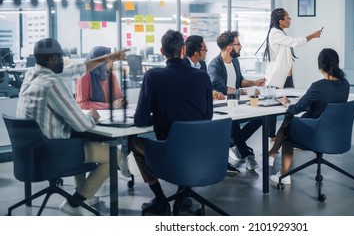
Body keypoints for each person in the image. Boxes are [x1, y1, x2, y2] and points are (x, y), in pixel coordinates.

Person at [16, 37, 127, 216]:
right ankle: (75, 201)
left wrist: (107, 57)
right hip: (52, 154)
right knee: (113, 155)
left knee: (77, 138)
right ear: (52, 58)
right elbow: (82, 124)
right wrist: (92, 116)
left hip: (28, 154)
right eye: (61, 56)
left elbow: (75, 69)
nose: (64, 60)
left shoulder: (31, 75)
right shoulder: (52, 84)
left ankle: (85, 194)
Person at [132, 30, 214, 215]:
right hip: (200, 153)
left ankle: (161, 199)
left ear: (162, 51)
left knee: (134, 144)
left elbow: (140, 120)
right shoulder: (202, 77)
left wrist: (161, 116)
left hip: (170, 154)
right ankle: (181, 194)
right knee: (184, 144)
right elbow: (208, 116)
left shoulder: (153, 76)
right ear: (184, 50)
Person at [269, 48, 350, 185]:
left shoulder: (318, 86)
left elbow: (296, 109)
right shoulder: (345, 84)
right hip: (335, 135)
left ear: (320, 66)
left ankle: (283, 171)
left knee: (289, 123)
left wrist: (286, 103)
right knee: (291, 122)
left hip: (314, 134)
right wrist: (310, 100)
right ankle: (272, 153)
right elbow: (328, 104)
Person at [208, 30, 265, 171]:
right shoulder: (215, 65)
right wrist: (244, 92)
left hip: (236, 103)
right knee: (232, 121)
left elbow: (239, 81)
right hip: (222, 108)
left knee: (261, 117)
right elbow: (220, 87)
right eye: (238, 44)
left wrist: (254, 83)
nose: (241, 47)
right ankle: (247, 155)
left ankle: (233, 145)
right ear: (229, 47)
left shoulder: (235, 61)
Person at [75, 46, 131, 179]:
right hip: (92, 123)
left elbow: (117, 95)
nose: (113, 63)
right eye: (110, 60)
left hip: (109, 120)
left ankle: (120, 157)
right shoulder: (84, 75)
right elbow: (82, 104)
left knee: (132, 136)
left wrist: (122, 101)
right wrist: (109, 106)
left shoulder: (110, 74)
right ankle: (118, 159)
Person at [262, 8, 322, 89]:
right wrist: (313, 35)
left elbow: (284, 53)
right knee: (282, 99)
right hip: (276, 77)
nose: (290, 19)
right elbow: (295, 42)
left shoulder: (280, 33)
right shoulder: (275, 33)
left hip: (285, 74)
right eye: (288, 17)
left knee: (290, 98)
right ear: (281, 21)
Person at [183, 35, 225, 101]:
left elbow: (205, 87)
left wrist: (215, 94)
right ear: (196, 53)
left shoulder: (202, 64)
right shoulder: (182, 65)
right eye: (204, 49)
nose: (206, 51)